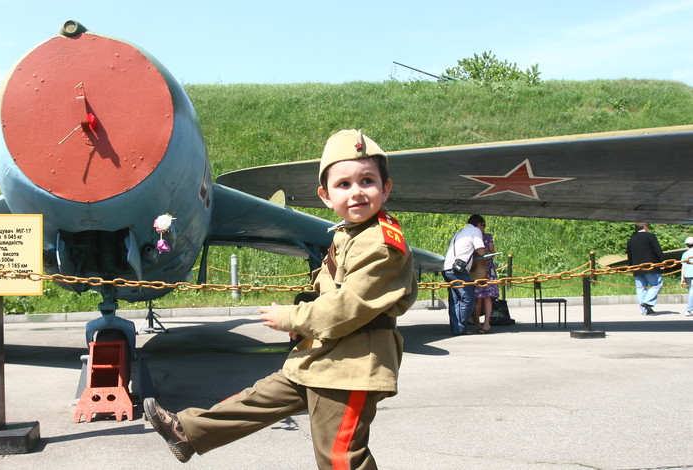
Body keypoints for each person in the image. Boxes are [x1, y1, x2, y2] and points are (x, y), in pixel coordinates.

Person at [144, 129, 418, 469]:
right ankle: (188, 432)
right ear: (326, 196)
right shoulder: (350, 232)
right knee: (259, 398)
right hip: (324, 355)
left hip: (353, 365)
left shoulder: (380, 243)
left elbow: (346, 307)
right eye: (344, 185)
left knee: (340, 457)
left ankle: (190, 432)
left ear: (386, 188)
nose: (357, 192)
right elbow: (328, 290)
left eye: (367, 181)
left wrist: (291, 318)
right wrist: (305, 320)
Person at [442, 214, 486, 335]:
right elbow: (481, 250)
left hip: (447, 268)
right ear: (479, 224)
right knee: (468, 299)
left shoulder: (460, 232)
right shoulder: (475, 230)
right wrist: (488, 252)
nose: (483, 230)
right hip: (459, 271)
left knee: (455, 300)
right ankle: (461, 328)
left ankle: (456, 329)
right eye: (484, 226)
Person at [626, 222, 665, 315]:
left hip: (637, 267)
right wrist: (662, 262)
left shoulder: (631, 240)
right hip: (650, 266)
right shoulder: (651, 237)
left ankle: (644, 311)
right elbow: (657, 250)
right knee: (657, 284)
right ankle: (647, 302)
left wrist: (631, 266)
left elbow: (629, 255)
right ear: (645, 227)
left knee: (641, 288)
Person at [472, 224, 499, 333]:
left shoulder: (488, 237)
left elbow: (493, 253)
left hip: (488, 270)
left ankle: (487, 323)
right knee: (478, 299)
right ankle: (477, 322)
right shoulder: (472, 237)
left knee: (488, 297)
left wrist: (487, 253)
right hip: (476, 270)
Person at [681, 236, 693, 317]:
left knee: (691, 291)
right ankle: (688, 309)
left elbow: (683, 266)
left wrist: (682, 277)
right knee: (692, 292)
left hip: (688, 274)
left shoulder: (685, 254)